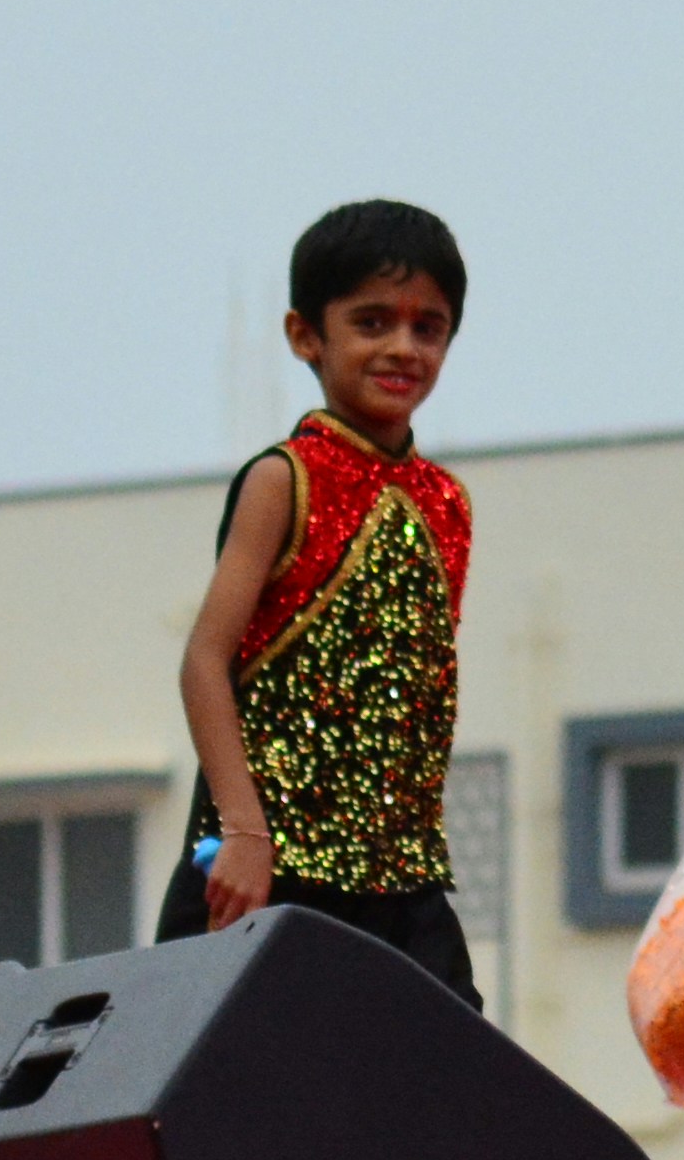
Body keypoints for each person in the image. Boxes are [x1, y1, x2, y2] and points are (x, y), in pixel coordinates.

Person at [161, 200, 485, 1009]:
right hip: (273, 868)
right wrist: (242, 831)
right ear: (307, 334)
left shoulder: (446, 501)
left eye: (428, 326)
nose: (402, 348)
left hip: (401, 878)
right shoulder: (286, 478)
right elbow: (205, 659)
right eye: (372, 321)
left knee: (454, 1095)